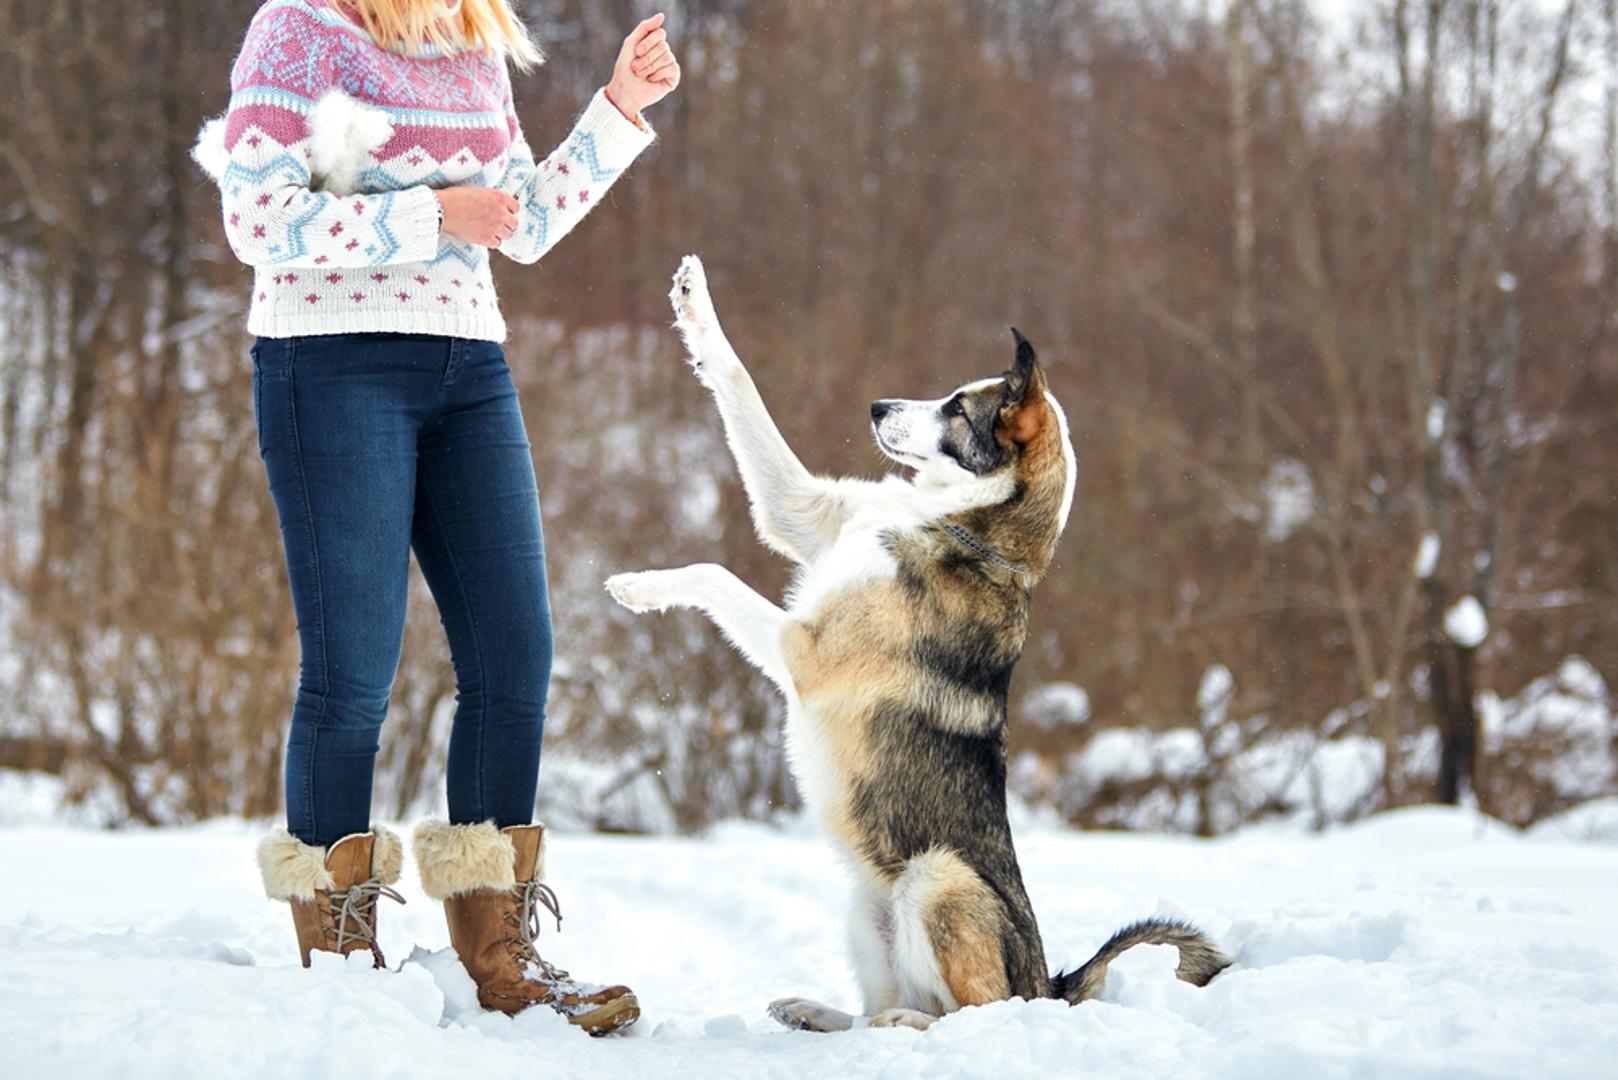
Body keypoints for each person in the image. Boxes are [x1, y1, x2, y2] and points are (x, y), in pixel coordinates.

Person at [211, 0, 678, 1035]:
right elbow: (257, 218)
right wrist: (428, 217)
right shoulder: (296, 31)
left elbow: (523, 222)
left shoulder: (467, 43)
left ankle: (499, 954)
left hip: (467, 364)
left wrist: (617, 108)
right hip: (329, 364)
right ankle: (340, 954)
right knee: (352, 672)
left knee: (515, 658)